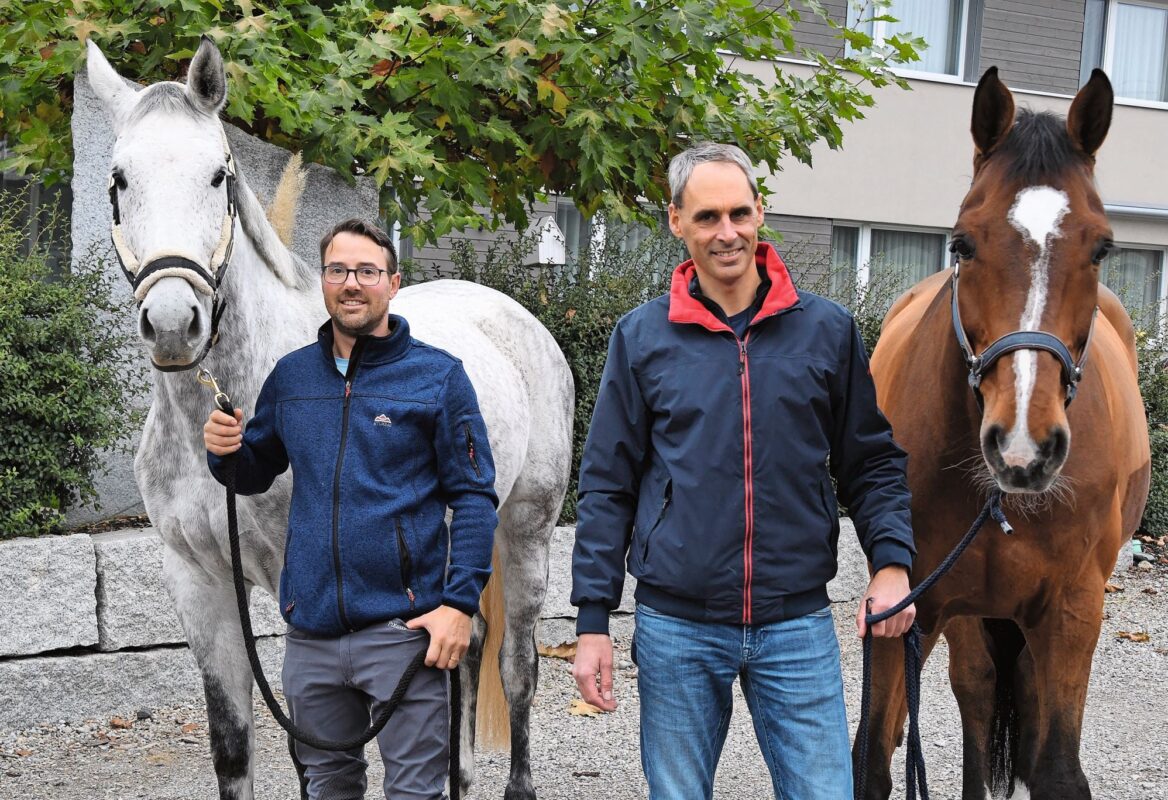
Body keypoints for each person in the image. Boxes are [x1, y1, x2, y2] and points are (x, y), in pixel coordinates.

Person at [570, 142, 916, 799]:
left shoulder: (827, 332)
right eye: (706, 217)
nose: (725, 232)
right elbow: (608, 486)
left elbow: (870, 462)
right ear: (676, 222)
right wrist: (592, 623)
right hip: (677, 628)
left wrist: (892, 563)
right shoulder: (642, 339)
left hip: (797, 625)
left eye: (738, 213)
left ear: (760, 212)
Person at [203, 218, 498, 800]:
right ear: (323, 281)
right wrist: (225, 452)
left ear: (392, 281)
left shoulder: (438, 378)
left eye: (367, 271)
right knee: (326, 787)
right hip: (310, 637)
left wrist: (459, 606)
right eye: (338, 270)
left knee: (415, 793)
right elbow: (255, 471)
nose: (351, 283)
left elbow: (474, 498)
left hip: (403, 633)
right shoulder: (291, 377)